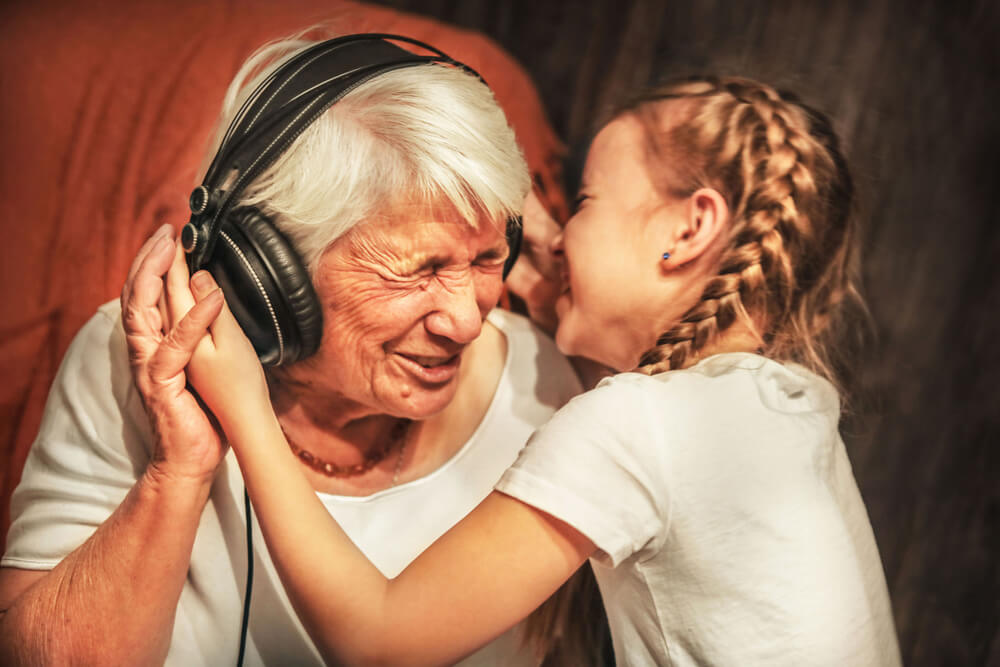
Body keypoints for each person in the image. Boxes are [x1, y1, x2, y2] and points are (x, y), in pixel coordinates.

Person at [152, 76, 903, 665]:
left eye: (582, 200)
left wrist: (248, 406)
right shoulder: (783, 405)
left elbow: (378, 639)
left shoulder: (638, 424)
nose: (554, 232)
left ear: (689, 228)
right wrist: (563, 277)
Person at [0, 33, 594, 666]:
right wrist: (178, 471)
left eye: (485, 258)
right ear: (263, 276)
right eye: (417, 271)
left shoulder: (544, 384)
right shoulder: (145, 360)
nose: (466, 322)